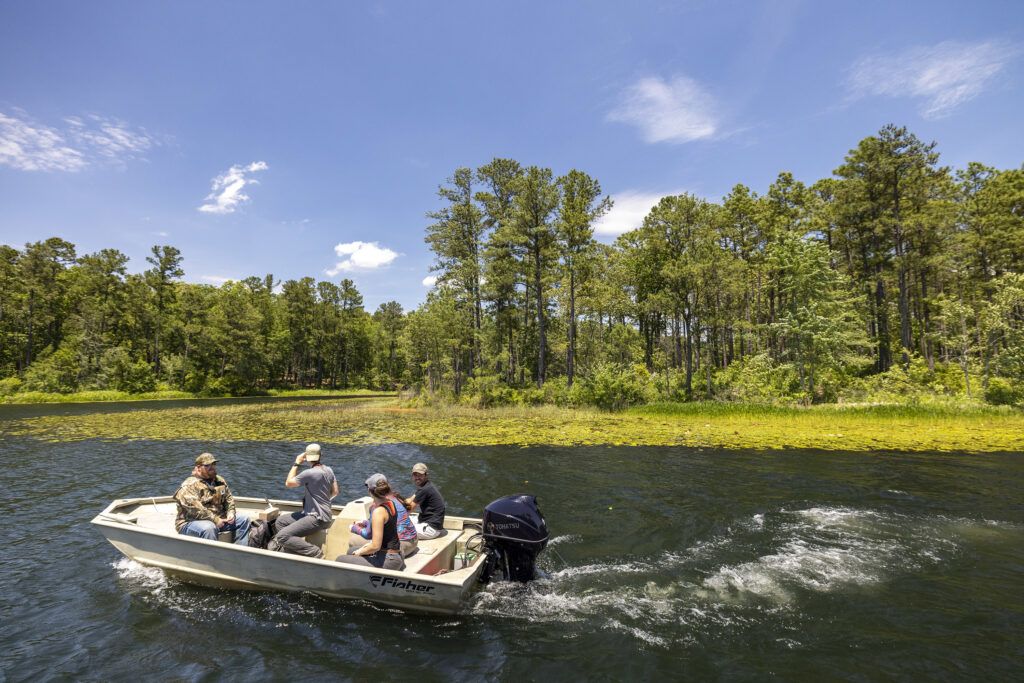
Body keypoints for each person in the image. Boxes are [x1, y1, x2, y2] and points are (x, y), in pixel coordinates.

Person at [268, 443, 338, 559]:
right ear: (321, 455)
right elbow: (335, 492)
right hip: (323, 515)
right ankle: (291, 551)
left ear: (306, 457)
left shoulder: (309, 473)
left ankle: (316, 553)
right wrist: (322, 502)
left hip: (317, 518)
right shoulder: (329, 470)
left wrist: (296, 462)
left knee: (281, 537)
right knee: (280, 521)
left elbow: (288, 483)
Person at [174, 453, 251, 545]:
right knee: (209, 528)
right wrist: (215, 519)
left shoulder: (219, 480)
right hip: (190, 522)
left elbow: (229, 499)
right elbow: (197, 510)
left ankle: (240, 552)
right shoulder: (189, 485)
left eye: (213, 464)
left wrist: (230, 512)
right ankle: (211, 557)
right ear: (198, 468)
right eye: (207, 465)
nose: (212, 467)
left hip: (218, 519)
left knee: (243, 519)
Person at [335, 476, 405, 571]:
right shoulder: (391, 503)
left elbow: (375, 546)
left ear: (370, 491)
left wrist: (360, 552)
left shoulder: (378, 512)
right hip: (397, 554)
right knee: (350, 551)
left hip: (388, 560)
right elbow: (384, 528)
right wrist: (365, 523)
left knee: (340, 559)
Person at [349, 473, 418, 557]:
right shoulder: (395, 498)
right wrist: (365, 522)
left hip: (401, 546)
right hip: (413, 541)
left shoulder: (378, 507)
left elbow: (368, 533)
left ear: (371, 491)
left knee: (353, 540)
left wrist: (354, 528)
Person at [404, 462, 446, 539]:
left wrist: (393, 516)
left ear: (426, 475)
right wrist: (395, 501)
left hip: (431, 529)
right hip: (431, 523)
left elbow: (410, 509)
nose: (417, 477)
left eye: (420, 475)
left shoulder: (425, 489)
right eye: (415, 475)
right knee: (403, 521)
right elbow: (409, 500)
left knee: (398, 528)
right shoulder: (426, 486)